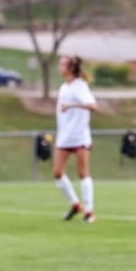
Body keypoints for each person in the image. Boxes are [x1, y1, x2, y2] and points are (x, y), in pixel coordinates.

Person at [53, 54, 98, 223]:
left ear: (70, 68)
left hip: (79, 136)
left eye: (62, 65)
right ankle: (75, 204)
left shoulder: (80, 86)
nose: (59, 68)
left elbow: (93, 106)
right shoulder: (64, 87)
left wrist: (73, 105)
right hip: (65, 136)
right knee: (57, 173)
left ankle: (89, 211)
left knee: (83, 173)